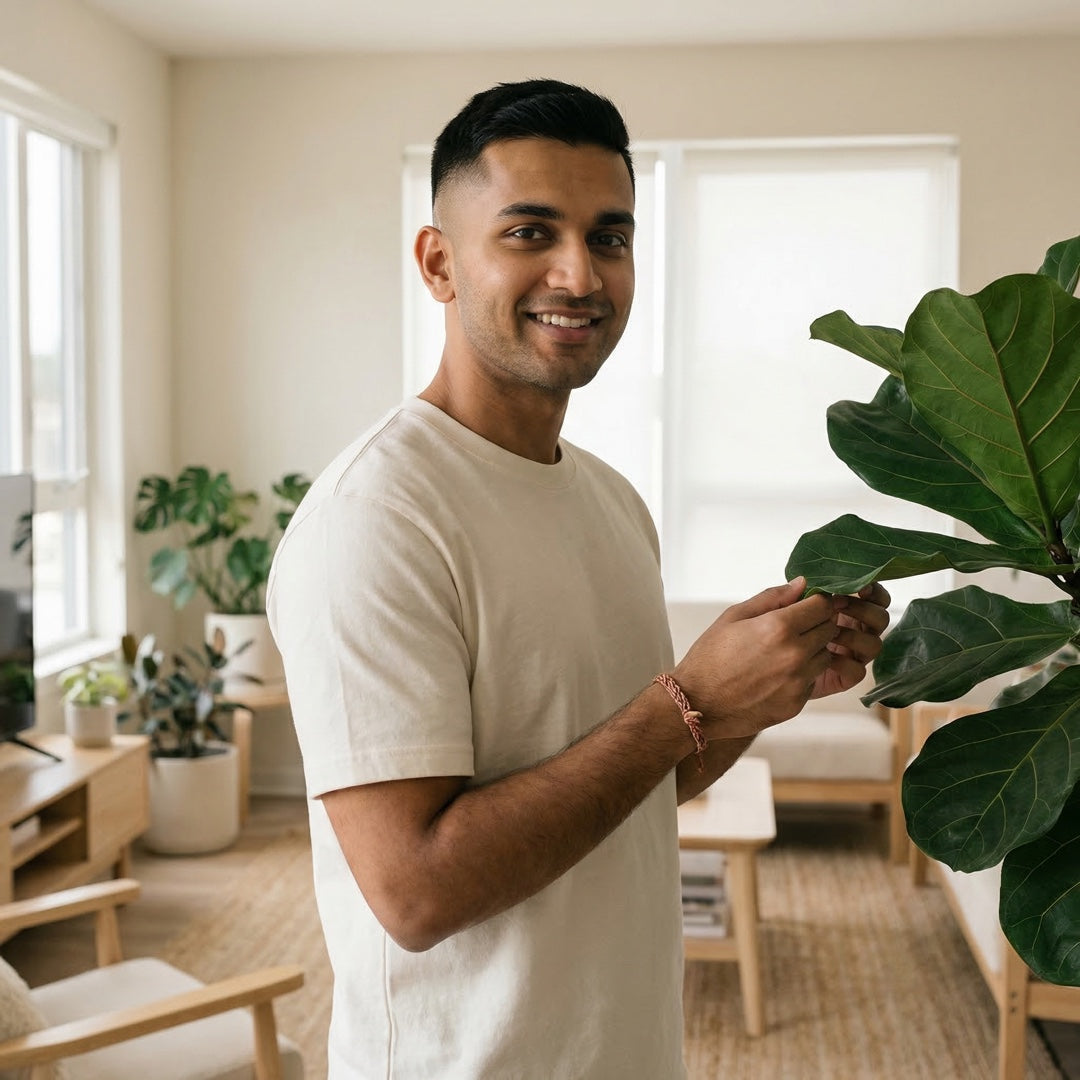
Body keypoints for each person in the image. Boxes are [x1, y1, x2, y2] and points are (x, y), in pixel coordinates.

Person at [267, 78, 890, 1080]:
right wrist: (689, 696)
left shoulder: (611, 503)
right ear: (438, 262)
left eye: (609, 237)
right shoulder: (373, 521)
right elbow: (415, 893)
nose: (580, 274)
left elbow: (642, 781)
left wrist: (751, 699)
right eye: (527, 232)